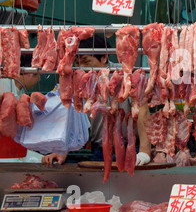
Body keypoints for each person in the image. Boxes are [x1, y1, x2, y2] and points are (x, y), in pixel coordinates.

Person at [42, 35, 151, 166]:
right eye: (77, 63)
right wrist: (62, 150)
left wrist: (145, 152)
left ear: (104, 57)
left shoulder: (126, 75)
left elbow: (142, 111)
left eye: (86, 61)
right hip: (100, 150)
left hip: (133, 148)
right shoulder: (77, 79)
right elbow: (72, 116)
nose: (82, 67)